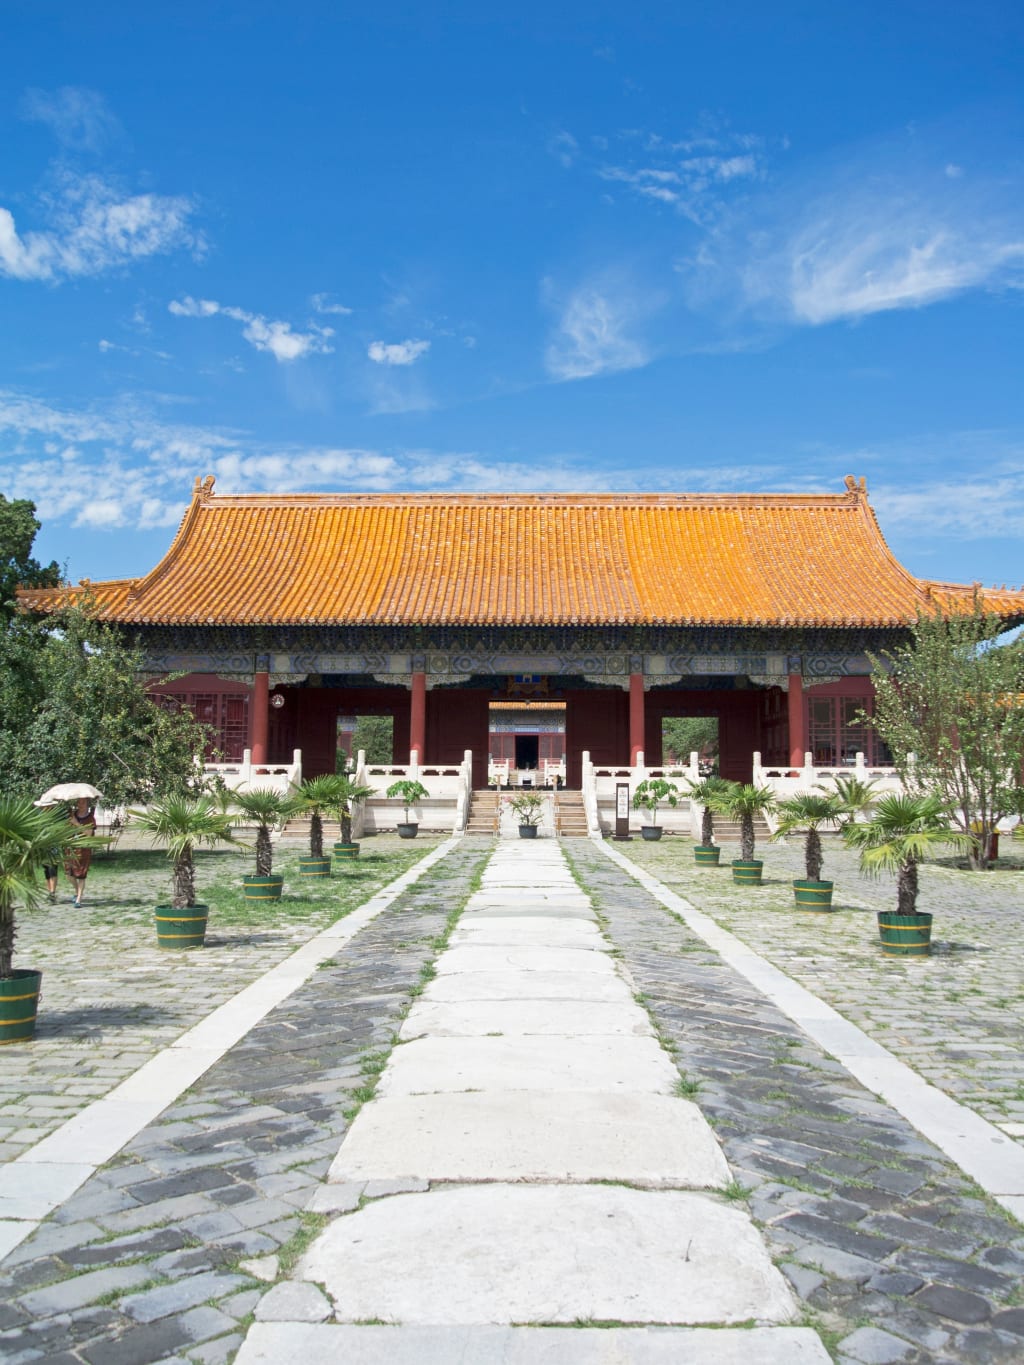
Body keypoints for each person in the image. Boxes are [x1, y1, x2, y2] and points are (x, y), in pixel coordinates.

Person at [63, 798, 97, 907]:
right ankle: (78, 891)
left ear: (87, 804)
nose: (80, 804)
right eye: (79, 802)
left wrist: (76, 823)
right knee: (68, 874)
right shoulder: (71, 815)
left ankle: (78, 899)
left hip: (83, 850)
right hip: (70, 849)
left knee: (81, 875)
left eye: (83, 802)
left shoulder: (90, 818)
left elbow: (89, 833)